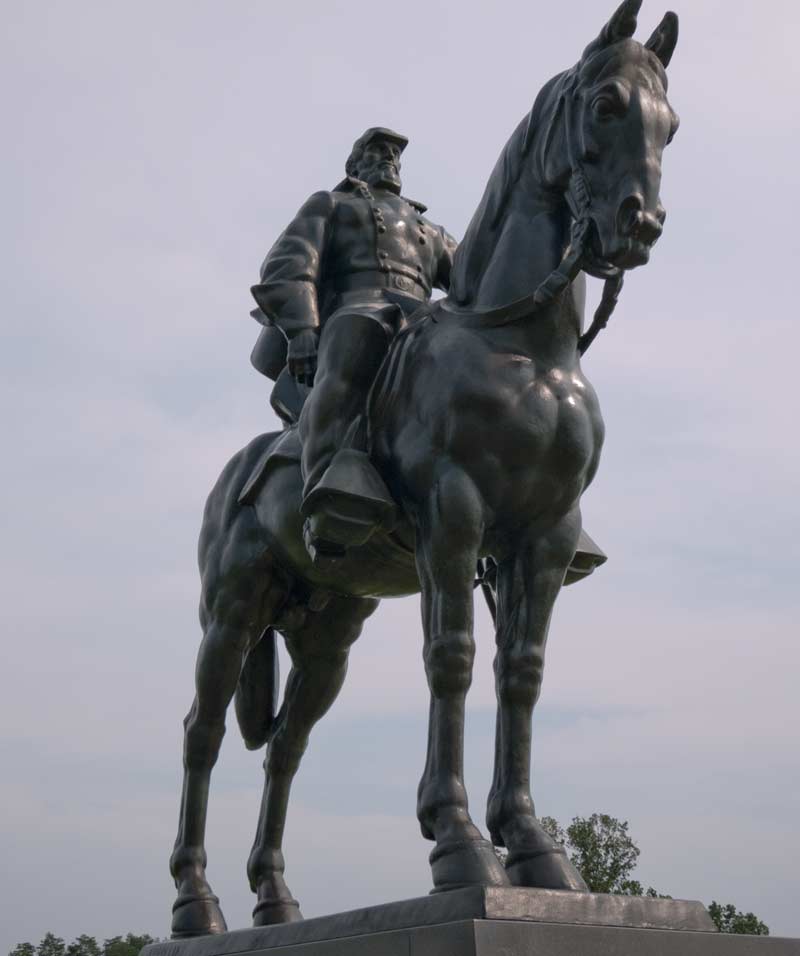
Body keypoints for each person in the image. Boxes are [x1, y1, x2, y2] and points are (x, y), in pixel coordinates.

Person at [250, 127, 457, 560]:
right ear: (354, 166)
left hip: (422, 320)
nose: (389, 159)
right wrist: (303, 328)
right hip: (355, 310)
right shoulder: (332, 204)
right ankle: (326, 486)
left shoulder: (429, 229)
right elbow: (292, 261)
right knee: (356, 335)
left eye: (394, 154)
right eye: (377, 151)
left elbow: (476, 276)